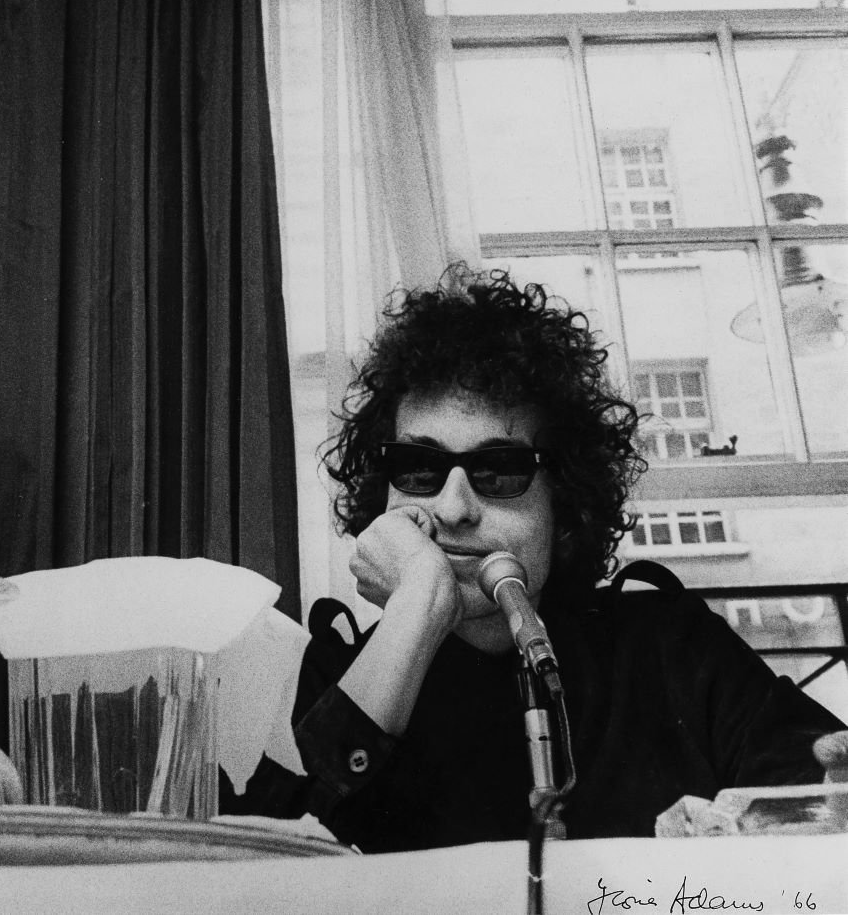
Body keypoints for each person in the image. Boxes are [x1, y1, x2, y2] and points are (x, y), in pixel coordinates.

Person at [225, 267, 847, 853]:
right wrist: (416, 608)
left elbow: (810, 783)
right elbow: (264, 865)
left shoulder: (667, 646)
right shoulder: (340, 670)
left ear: (564, 502)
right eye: (419, 469)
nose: (453, 507)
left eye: (499, 471)